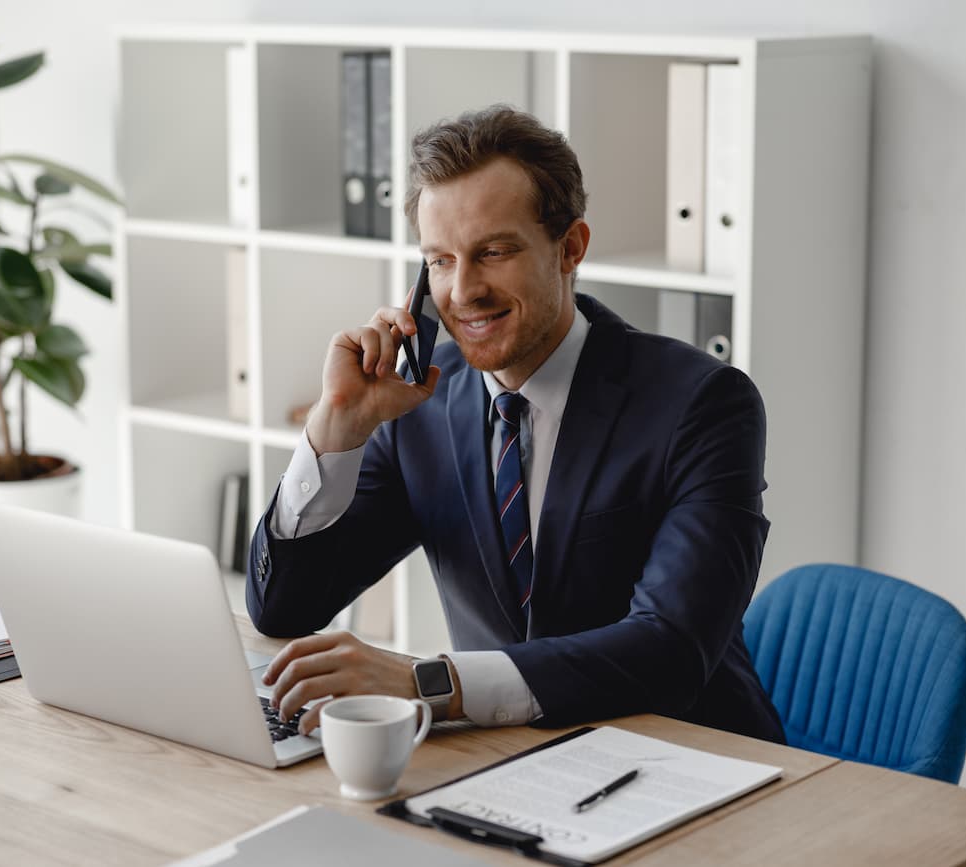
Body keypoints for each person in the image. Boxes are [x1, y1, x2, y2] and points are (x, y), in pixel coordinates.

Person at [247, 105, 784, 744]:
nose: (463, 290)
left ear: (571, 247)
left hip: (689, 756)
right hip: (501, 755)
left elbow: (671, 649)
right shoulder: (418, 405)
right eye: (440, 261)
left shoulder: (702, 405)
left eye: (493, 252)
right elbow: (285, 608)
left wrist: (429, 685)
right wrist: (334, 432)